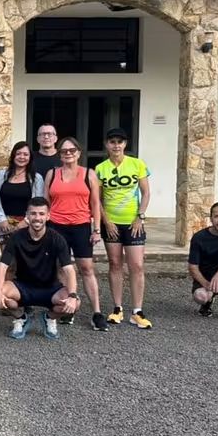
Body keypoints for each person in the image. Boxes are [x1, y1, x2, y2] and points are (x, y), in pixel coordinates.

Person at [0, 197, 81, 341]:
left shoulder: (57, 239)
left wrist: (72, 296)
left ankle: (49, 318)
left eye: (41, 214)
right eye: (33, 213)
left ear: (48, 216)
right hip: (22, 288)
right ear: (27, 216)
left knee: (75, 303)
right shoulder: (16, 238)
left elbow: (69, 270)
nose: (37, 218)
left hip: (51, 289)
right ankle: (21, 318)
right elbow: (2, 267)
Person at [45, 136, 105, 331]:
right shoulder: (52, 174)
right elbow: (45, 202)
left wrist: (97, 229)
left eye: (72, 150)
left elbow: (95, 204)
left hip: (80, 226)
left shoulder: (89, 174)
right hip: (56, 226)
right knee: (61, 269)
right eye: (64, 151)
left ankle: (97, 312)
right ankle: (67, 309)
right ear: (59, 154)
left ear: (79, 153)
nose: (68, 154)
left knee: (86, 268)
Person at [95, 128, 152, 329]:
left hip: (133, 222)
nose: (116, 145)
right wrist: (106, 220)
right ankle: (117, 308)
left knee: (136, 265)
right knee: (115, 264)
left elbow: (146, 193)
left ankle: (137, 310)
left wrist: (140, 217)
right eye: (112, 142)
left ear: (125, 144)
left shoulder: (137, 164)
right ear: (106, 144)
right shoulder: (100, 168)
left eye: (120, 142)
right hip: (112, 223)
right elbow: (97, 199)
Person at [0, 141, 44, 246]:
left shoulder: (36, 178)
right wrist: (1, 219)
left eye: (25, 154)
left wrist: (26, 221)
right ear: (13, 155)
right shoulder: (0, 176)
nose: (22, 157)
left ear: (30, 158)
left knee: (27, 258)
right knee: (8, 259)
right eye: (18, 153)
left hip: (28, 224)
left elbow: (38, 203)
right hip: (5, 225)